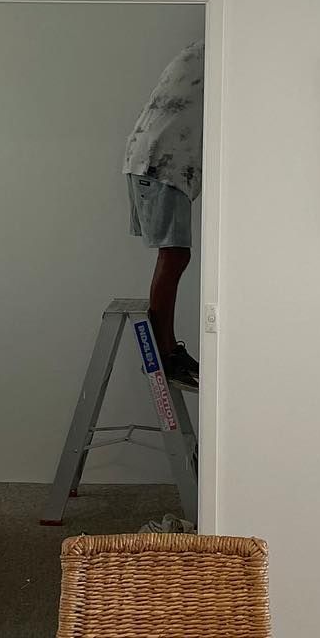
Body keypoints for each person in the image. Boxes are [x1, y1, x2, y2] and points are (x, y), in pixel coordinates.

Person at [123, 39, 204, 388]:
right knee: (174, 255)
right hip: (161, 161)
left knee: (174, 255)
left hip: (158, 158)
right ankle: (163, 351)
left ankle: (167, 347)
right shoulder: (220, 49)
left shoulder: (202, 50)